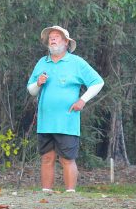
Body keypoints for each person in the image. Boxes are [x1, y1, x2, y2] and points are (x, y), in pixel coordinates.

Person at [26, 26, 104, 193]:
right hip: (45, 121)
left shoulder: (76, 62)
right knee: (47, 158)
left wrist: (83, 100)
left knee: (67, 158)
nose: (52, 39)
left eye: (57, 37)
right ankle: (46, 192)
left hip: (67, 120)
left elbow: (98, 82)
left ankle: (70, 194)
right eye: (50, 37)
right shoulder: (42, 62)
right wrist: (38, 83)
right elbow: (31, 90)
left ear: (66, 42)